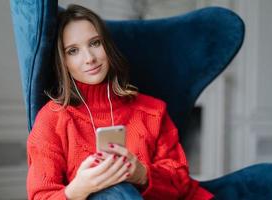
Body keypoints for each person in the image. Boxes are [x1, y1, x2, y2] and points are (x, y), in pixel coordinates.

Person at [26, 4, 213, 200]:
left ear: (107, 46)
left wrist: (141, 174)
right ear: (62, 61)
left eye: (95, 43)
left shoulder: (152, 110)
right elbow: (41, 195)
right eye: (73, 51)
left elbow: (181, 182)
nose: (89, 58)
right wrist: (78, 189)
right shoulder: (51, 119)